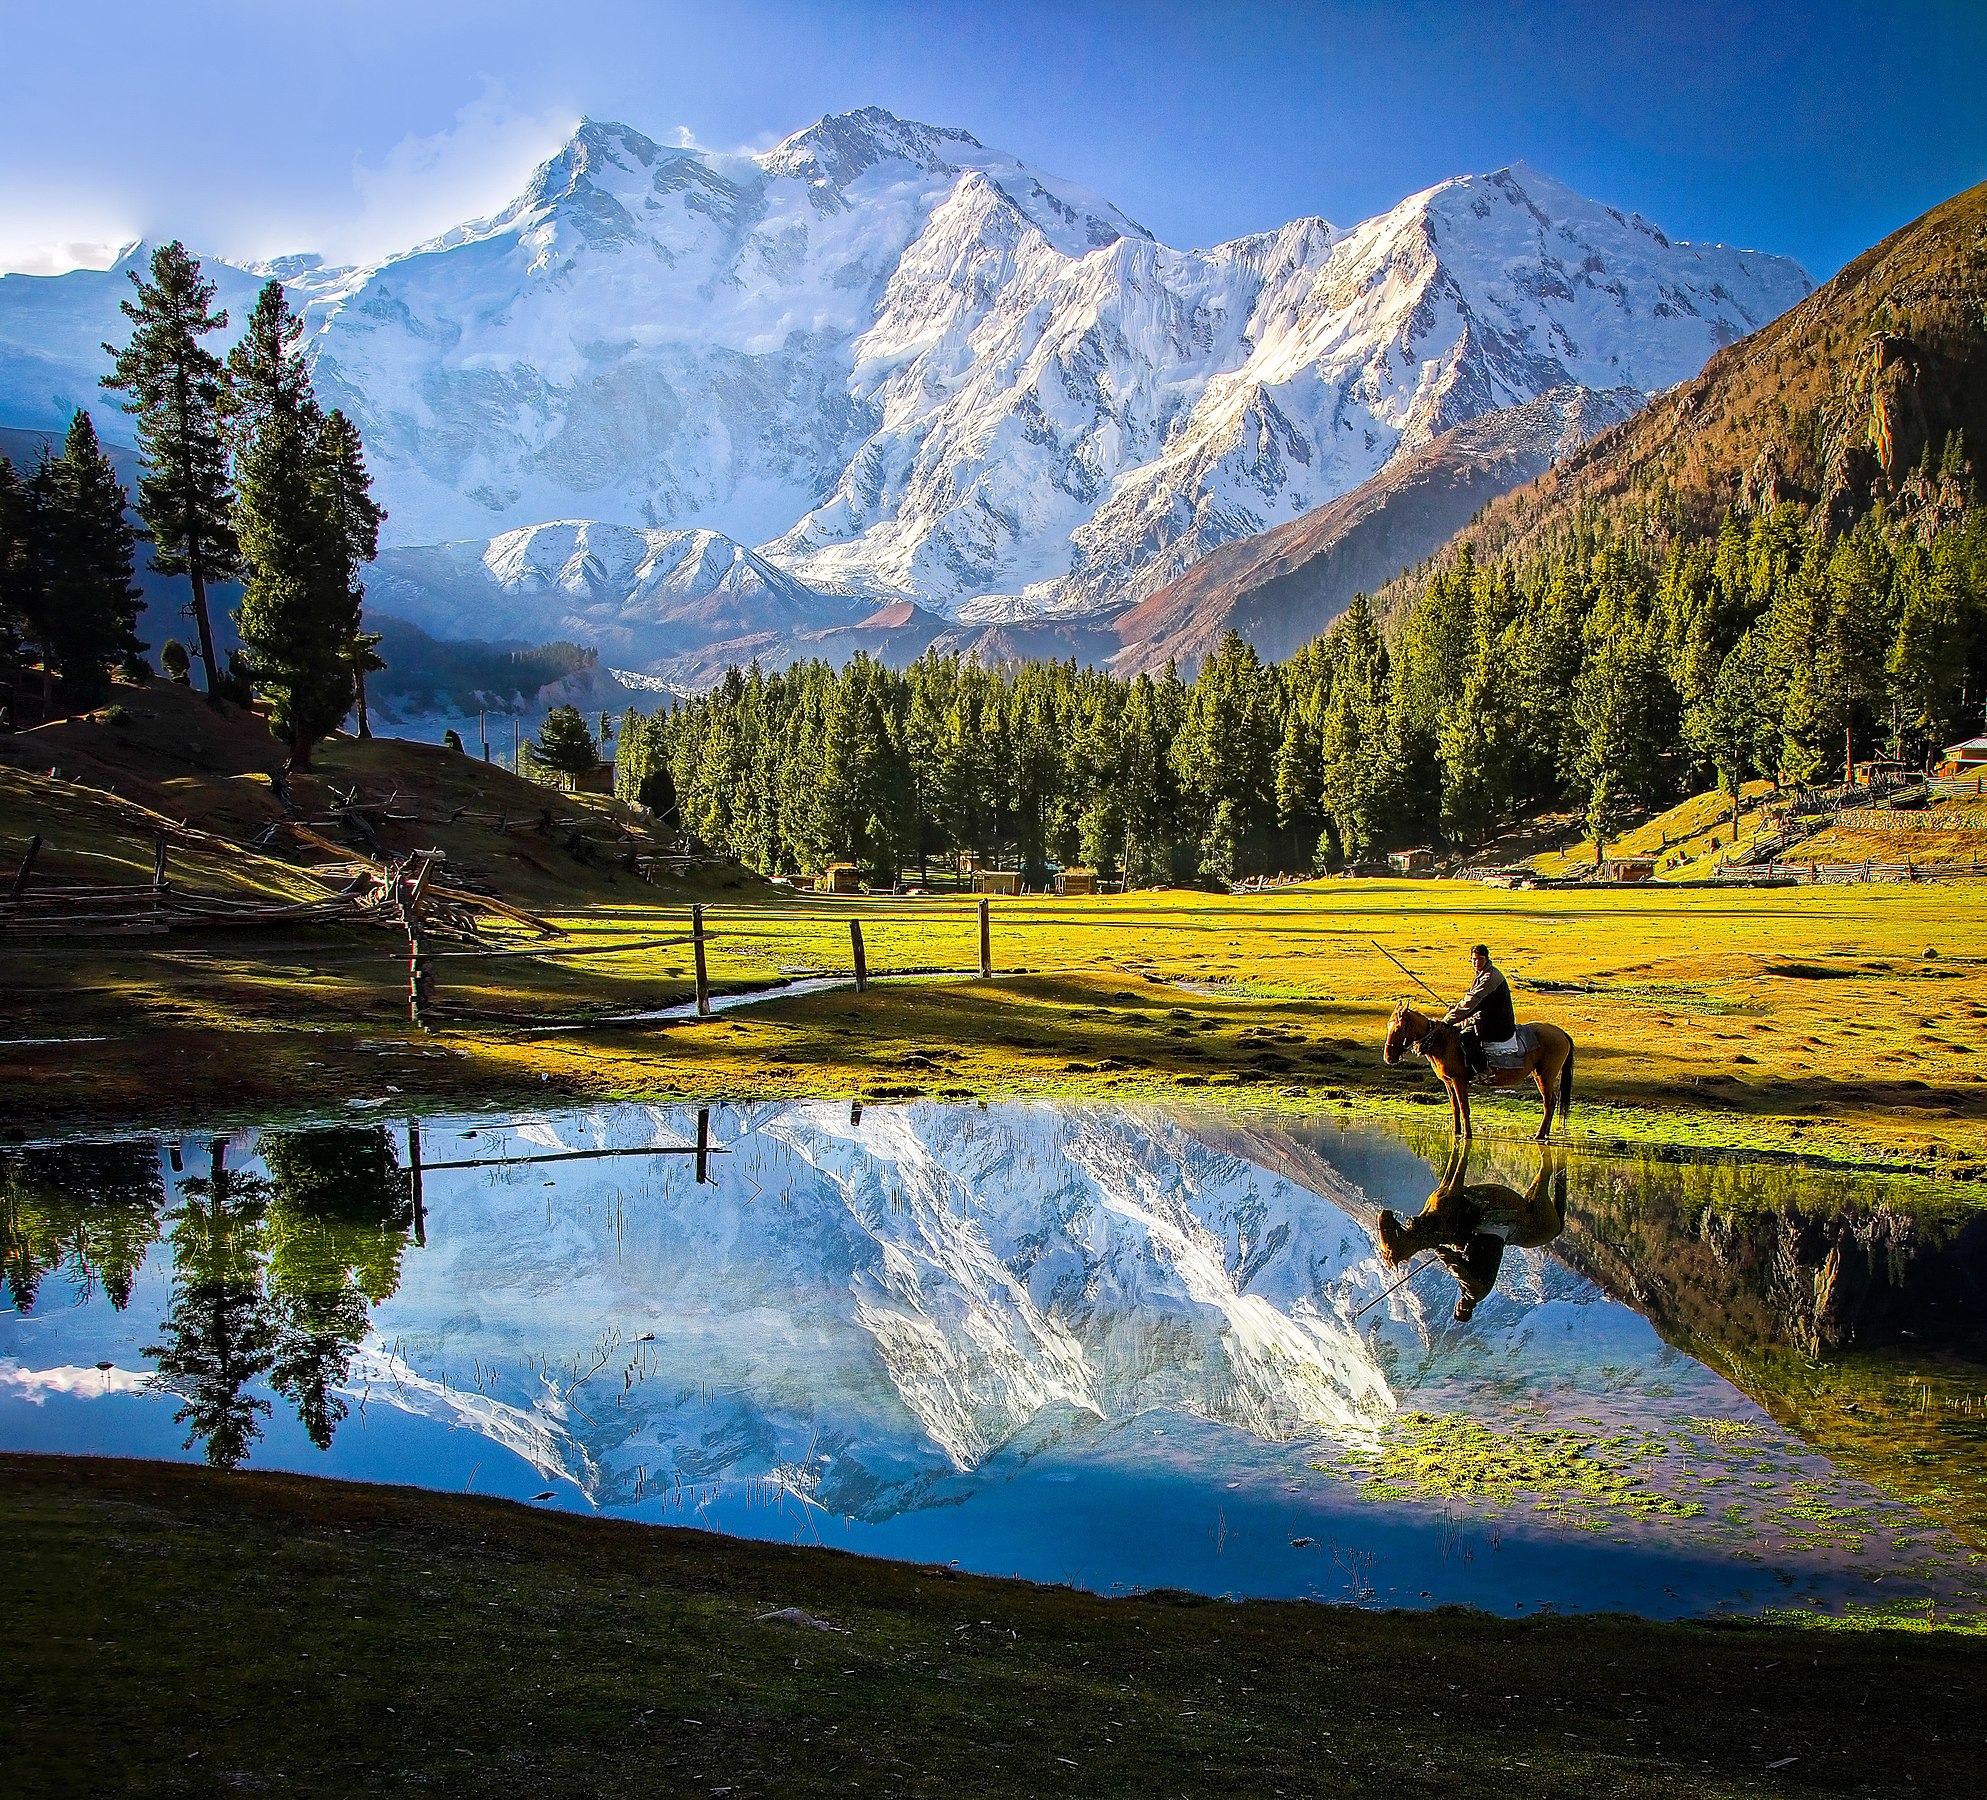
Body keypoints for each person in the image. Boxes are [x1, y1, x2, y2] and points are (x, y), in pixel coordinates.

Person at [1445, 943, 1519, 1078]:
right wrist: (1456, 1010)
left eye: (1480, 959)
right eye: (1474, 959)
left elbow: (1472, 1001)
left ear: (1487, 959)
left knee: (1465, 1037)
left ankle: (1483, 1070)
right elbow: (1472, 1001)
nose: (1476, 962)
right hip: (1486, 1018)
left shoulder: (1489, 977)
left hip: (1497, 1024)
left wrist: (1446, 1021)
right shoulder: (1481, 974)